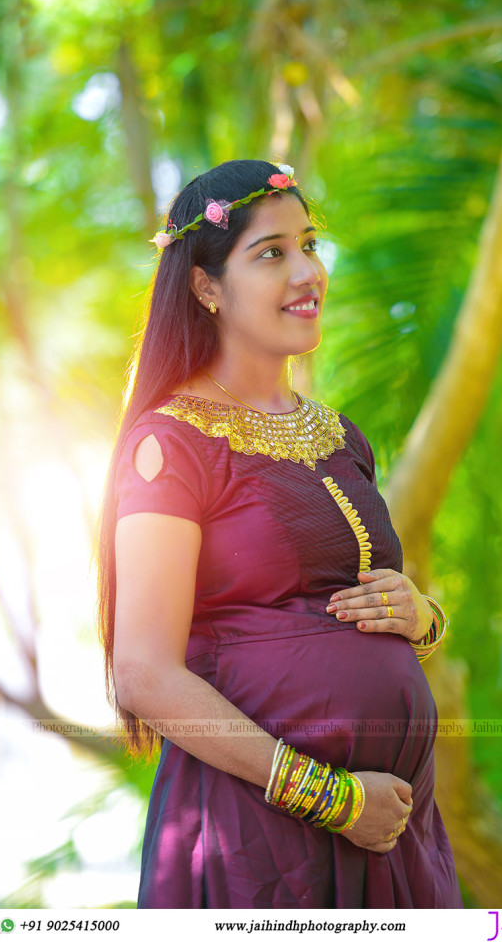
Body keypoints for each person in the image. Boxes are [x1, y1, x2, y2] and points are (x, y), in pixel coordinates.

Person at [96, 158, 463, 909]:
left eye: (310, 244)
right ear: (205, 288)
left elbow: (351, 609)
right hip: (261, 838)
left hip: (396, 826)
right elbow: (144, 673)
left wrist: (421, 616)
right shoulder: (170, 446)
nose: (308, 272)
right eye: (271, 253)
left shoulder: (337, 435)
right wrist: (330, 800)